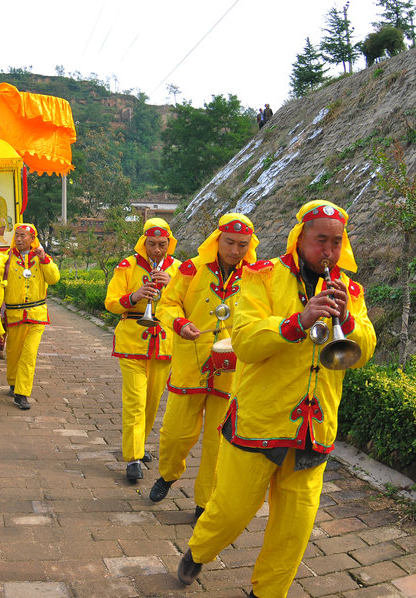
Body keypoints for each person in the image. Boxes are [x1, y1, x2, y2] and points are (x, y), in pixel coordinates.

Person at [177, 200, 376, 598]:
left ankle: (267, 592)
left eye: (336, 243)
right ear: (300, 238)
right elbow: (246, 341)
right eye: (321, 240)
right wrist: (296, 322)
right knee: (230, 513)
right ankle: (199, 550)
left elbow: (365, 349)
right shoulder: (261, 276)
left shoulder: (350, 289)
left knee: (294, 529)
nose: (329, 251)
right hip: (258, 420)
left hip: (313, 427)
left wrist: (348, 320)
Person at [151, 213, 258, 519]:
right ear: (216, 240)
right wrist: (180, 323)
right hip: (190, 365)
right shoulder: (191, 269)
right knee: (175, 435)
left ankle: (204, 503)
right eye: (229, 242)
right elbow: (167, 304)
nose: (235, 250)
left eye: (242, 245)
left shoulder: (255, 275)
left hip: (231, 370)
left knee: (217, 444)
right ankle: (169, 474)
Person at [104, 218, 180, 482]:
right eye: (151, 244)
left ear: (169, 244)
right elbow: (111, 302)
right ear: (143, 243)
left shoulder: (180, 269)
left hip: (164, 344)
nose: (157, 251)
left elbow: (187, 304)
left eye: (162, 245)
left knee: (151, 402)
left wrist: (171, 284)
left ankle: (141, 444)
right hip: (132, 341)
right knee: (135, 401)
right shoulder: (128, 266)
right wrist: (135, 297)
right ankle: (133, 456)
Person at [0, 223, 60, 409]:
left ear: (33, 239)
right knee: (13, 352)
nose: (18, 239)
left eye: (23, 236)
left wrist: (45, 260)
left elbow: (54, 279)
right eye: (16, 235)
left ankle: (21, 393)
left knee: (29, 354)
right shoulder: (6, 258)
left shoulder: (41, 257)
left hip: (36, 314)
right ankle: (13, 381)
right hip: (15, 313)